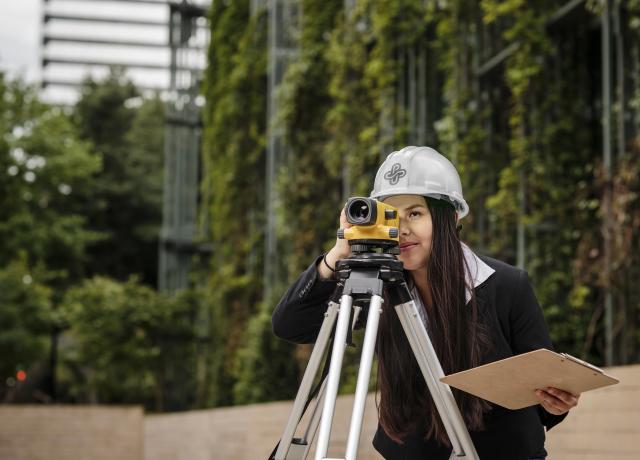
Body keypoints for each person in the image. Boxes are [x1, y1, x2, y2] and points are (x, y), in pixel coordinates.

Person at [271, 146, 579, 459]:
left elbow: (546, 393)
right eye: (391, 215)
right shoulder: (378, 289)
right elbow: (291, 325)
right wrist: (337, 255)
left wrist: (556, 403)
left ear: (451, 217)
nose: (402, 229)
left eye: (415, 214)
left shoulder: (508, 285)